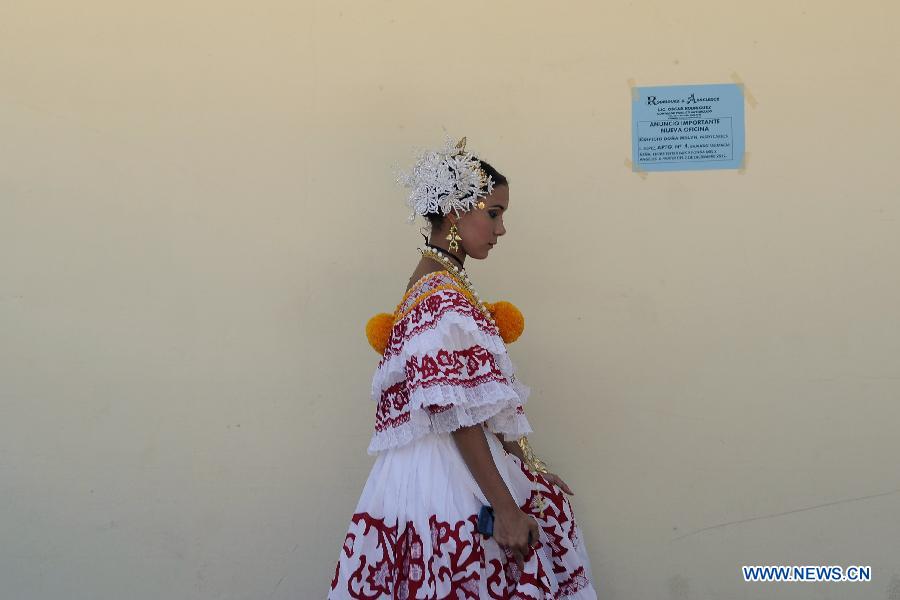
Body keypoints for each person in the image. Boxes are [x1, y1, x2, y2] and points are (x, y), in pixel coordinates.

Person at [327, 136, 598, 598]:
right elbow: (456, 414)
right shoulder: (441, 294)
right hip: (447, 481)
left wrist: (523, 462)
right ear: (455, 211)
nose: (501, 229)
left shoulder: (437, 284)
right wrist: (506, 509)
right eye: (494, 213)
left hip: (426, 474)